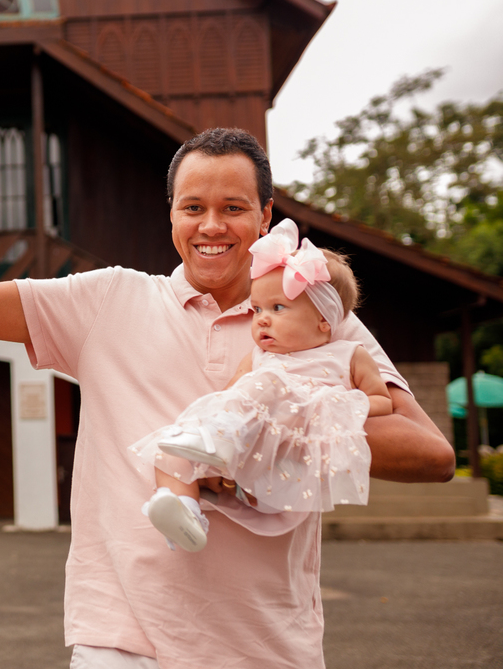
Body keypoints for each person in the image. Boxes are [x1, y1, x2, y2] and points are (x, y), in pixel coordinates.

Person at [0, 109, 454, 669]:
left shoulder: (318, 320)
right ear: (172, 216)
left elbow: (433, 455)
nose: (211, 226)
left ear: (265, 217)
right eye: (193, 208)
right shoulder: (110, 300)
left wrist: (273, 440)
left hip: (271, 645)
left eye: (233, 208)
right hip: (122, 640)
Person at [131, 220, 394, 552]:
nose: (262, 319)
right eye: (257, 309)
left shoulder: (348, 355)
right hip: (240, 457)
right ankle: (184, 509)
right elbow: (229, 396)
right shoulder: (259, 358)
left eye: (277, 308)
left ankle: (213, 454)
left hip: (284, 469)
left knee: (267, 384)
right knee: (168, 452)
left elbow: (382, 401)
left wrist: (338, 405)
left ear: (324, 320)